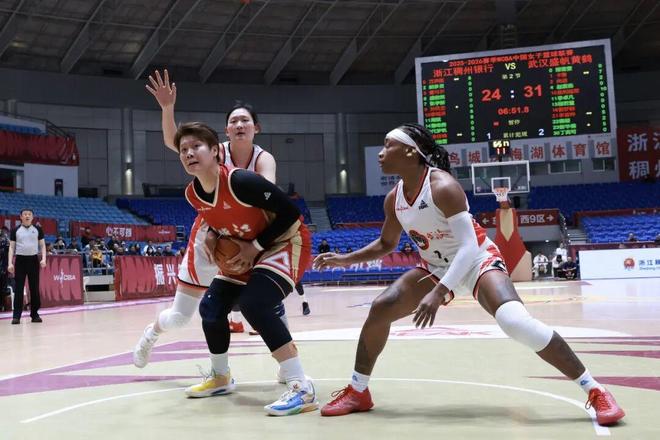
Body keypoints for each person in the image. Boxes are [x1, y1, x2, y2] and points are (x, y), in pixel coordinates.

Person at [313, 123, 624, 426]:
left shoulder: (443, 187)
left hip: (476, 260)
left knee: (515, 322)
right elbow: (386, 244)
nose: (381, 153)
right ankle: (358, 391)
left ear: (409, 152)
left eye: (387, 145)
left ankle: (595, 390)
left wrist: (438, 293)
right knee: (381, 307)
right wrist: (344, 259)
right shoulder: (393, 198)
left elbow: (468, 247)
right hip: (436, 266)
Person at [134, 69, 284, 369]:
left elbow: (268, 198)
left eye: (245, 120)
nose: (239, 125)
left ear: (256, 128)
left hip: (248, 234)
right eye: (233, 121)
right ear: (225, 131)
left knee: (271, 305)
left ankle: (287, 367)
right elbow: (175, 142)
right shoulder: (213, 152)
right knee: (180, 317)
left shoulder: (263, 159)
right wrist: (167, 108)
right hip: (209, 233)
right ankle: (152, 333)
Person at [167, 122, 316, 415]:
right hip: (246, 248)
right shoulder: (192, 194)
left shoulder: (242, 181)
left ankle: (302, 387)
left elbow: (290, 212)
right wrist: (213, 236)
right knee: (211, 308)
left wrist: (255, 246)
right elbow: (217, 218)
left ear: (215, 151)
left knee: (254, 304)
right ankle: (220, 377)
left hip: (284, 243)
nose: (189, 153)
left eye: (196, 146)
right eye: (183, 150)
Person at [8, 209, 46, 324]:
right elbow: (11, 247)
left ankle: (35, 314)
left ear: (32, 217)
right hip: (20, 261)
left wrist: (44, 259)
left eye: (29, 214)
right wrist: (10, 263)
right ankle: (16, 316)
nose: (27, 216)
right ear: (21, 217)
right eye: (25, 214)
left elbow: (42, 245)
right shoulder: (15, 230)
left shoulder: (38, 229)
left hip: (33, 260)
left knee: (34, 289)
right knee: (19, 289)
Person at [0, 226, 11, 312]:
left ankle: (2, 305)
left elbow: (10, 253)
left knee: (3, 288)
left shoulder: (6, 241)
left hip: (3, 268)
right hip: (3, 267)